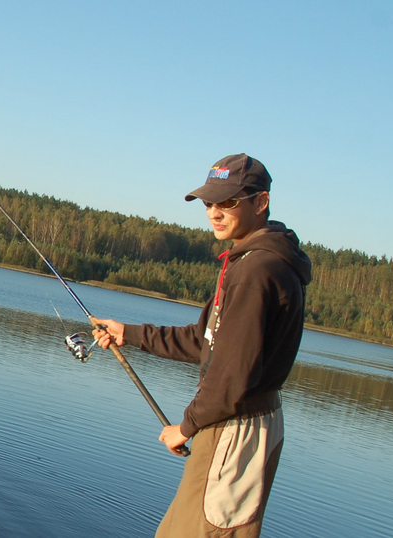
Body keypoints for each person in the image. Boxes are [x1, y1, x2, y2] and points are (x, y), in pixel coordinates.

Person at [92, 153, 312, 538]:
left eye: (227, 202)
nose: (214, 212)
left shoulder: (257, 270)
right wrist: (130, 333)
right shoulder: (250, 260)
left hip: (234, 428)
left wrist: (186, 426)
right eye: (209, 202)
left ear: (260, 203)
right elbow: (205, 341)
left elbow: (232, 374)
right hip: (230, 423)